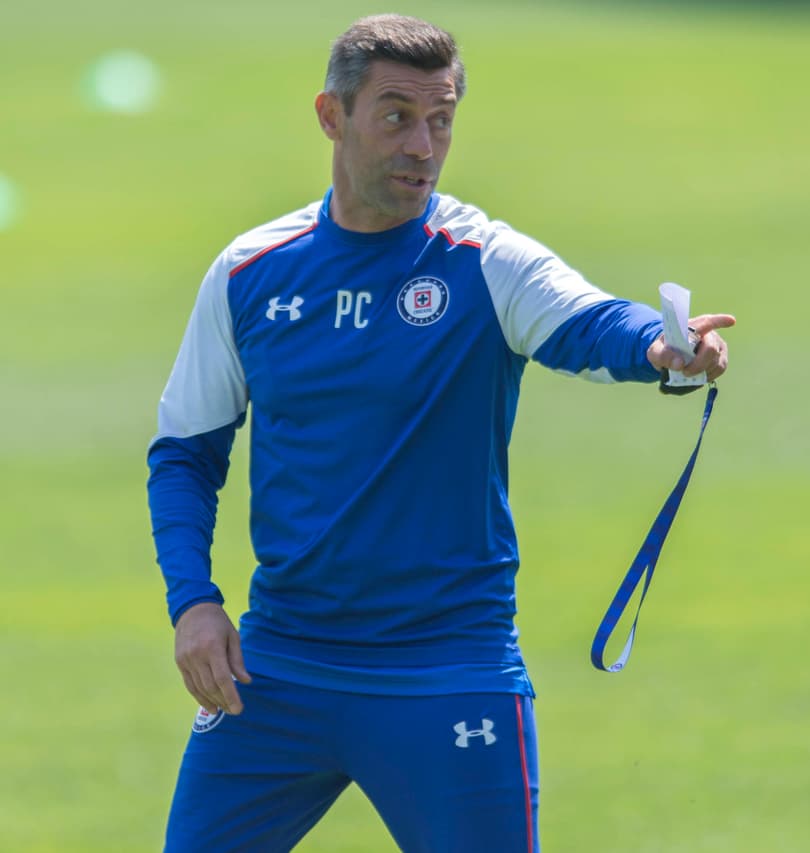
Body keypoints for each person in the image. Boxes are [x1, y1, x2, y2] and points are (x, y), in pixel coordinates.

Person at [146, 13, 733, 853]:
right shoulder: (250, 272)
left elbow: (591, 321)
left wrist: (663, 348)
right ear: (330, 116)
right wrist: (193, 602)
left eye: (443, 118)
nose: (424, 144)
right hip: (277, 670)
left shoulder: (483, 259)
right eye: (396, 116)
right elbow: (184, 452)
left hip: (447, 670)